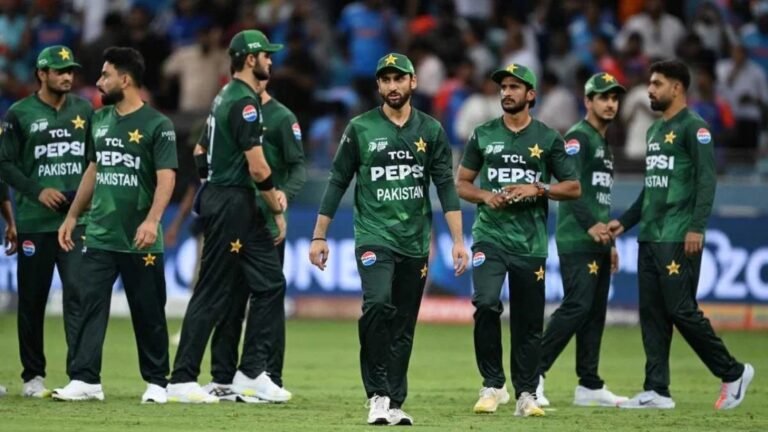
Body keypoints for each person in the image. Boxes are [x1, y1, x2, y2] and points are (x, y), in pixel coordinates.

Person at [309, 52, 468, 426]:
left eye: (399, 79)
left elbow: (446, 187)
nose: (393, 86)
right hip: (374, 236)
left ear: (413, 82)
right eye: (386, 80)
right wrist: (319, 235)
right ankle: (377, 395)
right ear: (378, 85)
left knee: (404, 323)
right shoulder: (360, 128)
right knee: (378, 305)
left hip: (416, 241)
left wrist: (458, 240)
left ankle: (395, 402)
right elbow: (337, 181)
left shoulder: (430, 131)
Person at [609, 60, 754, 410]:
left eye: (657, 83)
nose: (650, 89)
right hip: (650, 235)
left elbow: (706, 180)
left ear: (677, 88)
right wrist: (624, 223)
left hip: (678, 234)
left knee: (681, 309)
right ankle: (656, 390)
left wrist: (696, 227)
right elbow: (652, 188)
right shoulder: (654, 132)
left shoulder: (695, 128)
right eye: (650, 83)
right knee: (652, 314)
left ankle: (733, 371)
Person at [166, 30, 290, 404]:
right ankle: (182, 379)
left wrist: (213, 182)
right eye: (266, 55)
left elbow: (200, 152)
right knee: (213, 289)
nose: (270, 60)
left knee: (271, 283)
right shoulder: (245, 103)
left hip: (232, 200)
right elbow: (258, 167)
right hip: (235, 201)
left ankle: (249, 373)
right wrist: (275, 207)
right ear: (250, 59)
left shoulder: (225, 96)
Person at [455, 63, 581, 416]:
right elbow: (462, 183)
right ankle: (493, 385)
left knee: (528, 321)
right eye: (504, 87)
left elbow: (573, 187)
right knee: (486, 303)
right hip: (490, 236)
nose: (507, 92)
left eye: (514, 87)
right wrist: (485, 196)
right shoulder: (483, 134)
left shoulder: (548, 138)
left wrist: (537, 188)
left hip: (530, 242)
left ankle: (526, 393)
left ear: (531, 94)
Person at [54, 47, 177, 403]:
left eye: (105, 75)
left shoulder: (158, 125)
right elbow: (93, 170)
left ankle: (157, 383)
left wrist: (152, 221)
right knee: (87, 306)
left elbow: (167, 178)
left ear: (125, 80)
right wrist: (73, 215)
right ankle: (85, 379)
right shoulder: (99, 119)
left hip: (140, 238)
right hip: (100, 233)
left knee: (148, 311)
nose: (98, 82)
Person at [0, 45, 92, 398]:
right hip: (35, 222)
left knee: (79, 296)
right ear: (42, 73)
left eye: (70, 70)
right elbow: (4, 163)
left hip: (76, 221)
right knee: (32, 301)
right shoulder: (19, 113)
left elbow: (94, 161)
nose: (67, 76)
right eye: (59, 71)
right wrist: (37, 191)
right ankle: (33, 376)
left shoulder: (84, 109)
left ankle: (81, 376)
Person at [206, 76, 306, 399]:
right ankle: (223, 378)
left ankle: (269, 374)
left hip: (266, 224)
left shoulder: (282, 117)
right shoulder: (233, 109)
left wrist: (283, 194)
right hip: (234, 220)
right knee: (229, 300)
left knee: (270, 297)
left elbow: (298, 167)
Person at [535, 72, 629, 407]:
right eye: (603, 97)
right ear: (588, 101)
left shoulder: (603, 144)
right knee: (577, 306)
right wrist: (590, 226)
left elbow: (600, 197)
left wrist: (610, 243)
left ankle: (589, 384)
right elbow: (568, 186)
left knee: (594, 311)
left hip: (598, 240)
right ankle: (533, 373)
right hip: (577, 237)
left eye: (614, 98)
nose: (610, 104)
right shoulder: (579, 137)